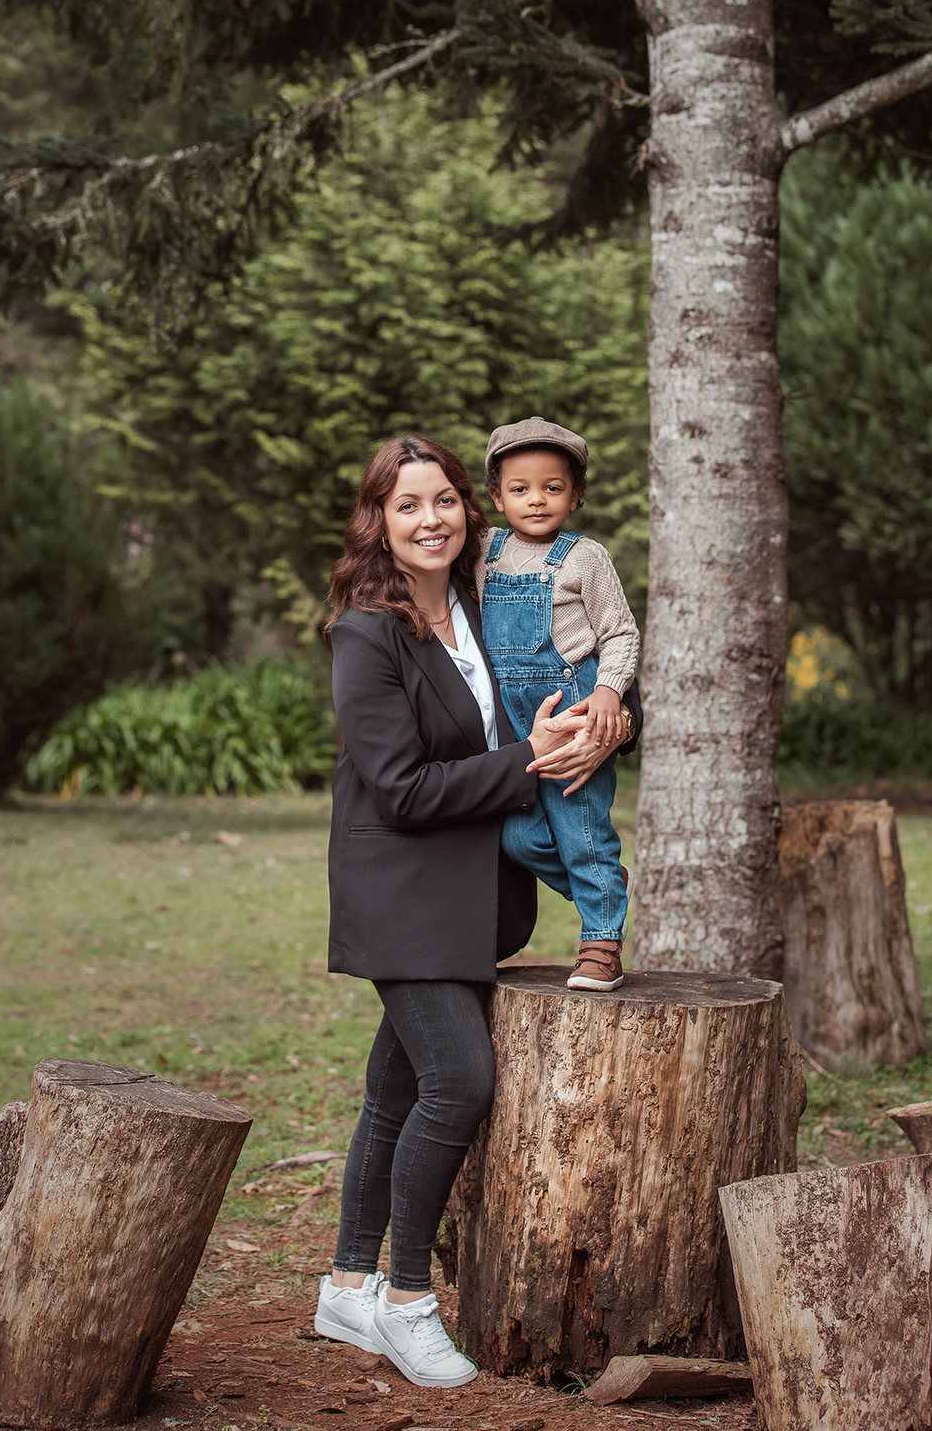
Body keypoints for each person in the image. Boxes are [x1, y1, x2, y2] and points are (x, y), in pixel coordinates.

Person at [314, 433, 639, 1388]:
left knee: (395, 1093)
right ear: (378, 520)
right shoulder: (365, 632)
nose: (430, 521)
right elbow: (403, 787)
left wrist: (606, 711)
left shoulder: (483, 599)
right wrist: (528, 763)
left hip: (472, 896)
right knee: (458, 1081)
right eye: (407, 505)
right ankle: (408, 1300)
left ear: (470, 510)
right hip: (401, 893)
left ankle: (345, 1284)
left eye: (444, 501)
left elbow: (556, 685)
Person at [480, 416, 640, 994]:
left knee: (581, 827)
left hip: (574, 709)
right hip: (513, 721)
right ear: (496, 497)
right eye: (519, 489)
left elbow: (619, 633)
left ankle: (600, 943)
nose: (536, 500)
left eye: (552, 487)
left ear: (575, 497)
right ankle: (603, 883)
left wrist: (608, 693)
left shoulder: (584, 558)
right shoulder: (484, 553)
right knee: (518, 837)